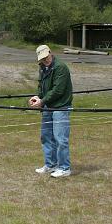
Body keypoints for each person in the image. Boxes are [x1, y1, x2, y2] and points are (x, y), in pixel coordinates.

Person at [29, 44, 73, 178]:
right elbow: (41, 86)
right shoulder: (42, 68)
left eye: (46, 57)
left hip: (61, 106)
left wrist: (42, 101)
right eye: (42, 59)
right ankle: (50, 164)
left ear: (50, 53)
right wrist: (38, 97)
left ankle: (65, 168)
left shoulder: (61, 67)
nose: (45, 60)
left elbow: (58, 90)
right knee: (46, 137)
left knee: (60, 139)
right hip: (48, 106)